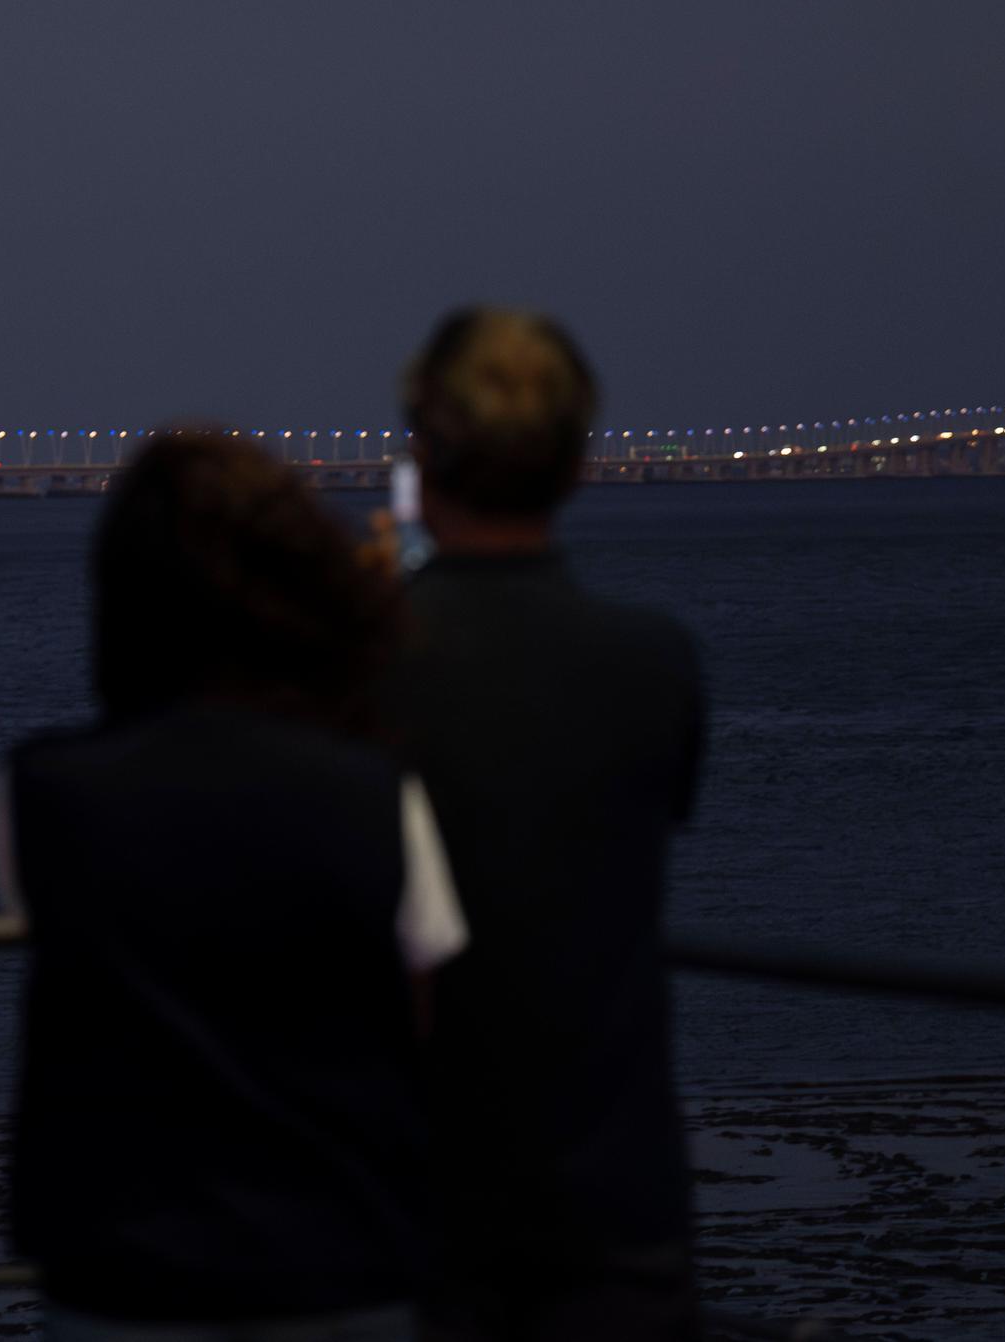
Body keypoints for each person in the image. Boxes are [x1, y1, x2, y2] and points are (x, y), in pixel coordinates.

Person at [0, 429, 468, 1342]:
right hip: (340, 1260)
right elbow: (428, 1015)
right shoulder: (375, 791)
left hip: (126, 1268)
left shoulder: (42, 791)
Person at [387, 308, 707, 1341]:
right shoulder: (655, 664)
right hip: (616, 1196)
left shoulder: (353, 666)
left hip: (417, 1198)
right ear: (576, 464)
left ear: (423, 457)